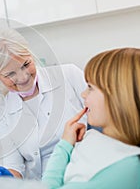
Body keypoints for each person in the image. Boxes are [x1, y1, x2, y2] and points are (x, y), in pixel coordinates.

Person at [0, 28, 87, 179]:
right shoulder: (5, 111)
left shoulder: (69, 76)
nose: (23, 77)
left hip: (87, 174)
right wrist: (6, 178)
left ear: (31, 54)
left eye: (26, 64)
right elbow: (15, 168)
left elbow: (107, 120)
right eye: (10, 74)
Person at [42, 47, 140, 188]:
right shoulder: (92, 136)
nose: (83, 94)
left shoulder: (126, 168)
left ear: (119, 97)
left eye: (90, 87)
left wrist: (64, 146)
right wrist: (67, 142)